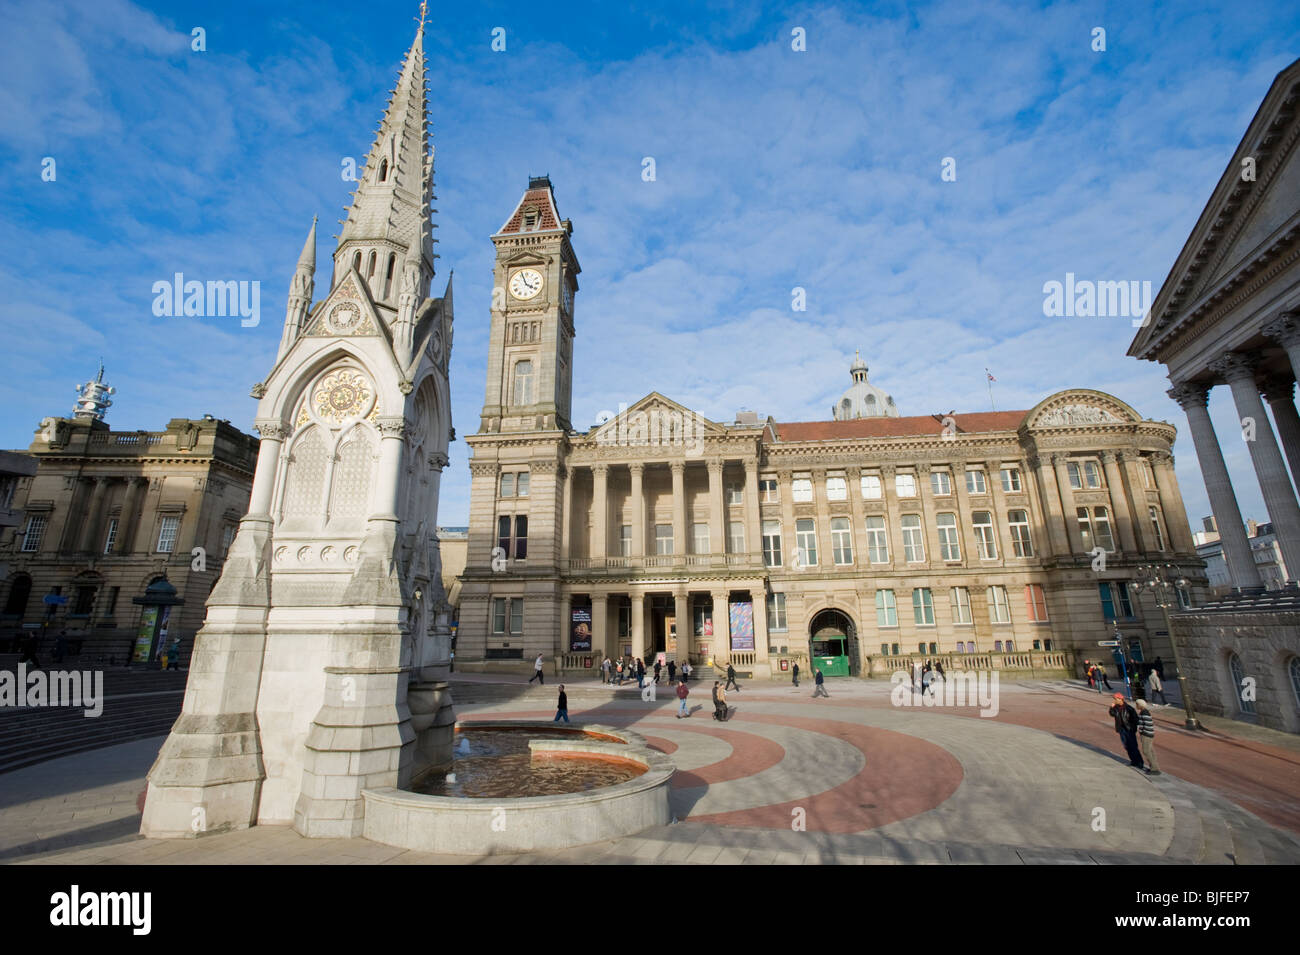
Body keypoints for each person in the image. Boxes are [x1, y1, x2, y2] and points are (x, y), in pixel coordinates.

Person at [1108, 693, 1144, 770]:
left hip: (1129, 729)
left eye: (1116, 699)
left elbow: (1136, 719)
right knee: (1126, 746)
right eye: (1114, 698)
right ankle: (1133, 761)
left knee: (1133, 746)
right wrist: (1111, 708)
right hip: (1121, 729)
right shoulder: (1116, 708)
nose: (1114, 700)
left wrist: (1132, 728)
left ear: (1120, 699)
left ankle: (1139, 762)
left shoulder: (1129, 708)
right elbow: (1112, 714)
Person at [1134, 699, 1162, 775]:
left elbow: (1148, 724)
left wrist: (1143, 732)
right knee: (1150, 750)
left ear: (1140, 705)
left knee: (1146, 751)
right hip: (1148, 734)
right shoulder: (1143, 712)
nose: (1136, 706)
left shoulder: (1144, 713)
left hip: (1146, 734)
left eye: (1137, 704)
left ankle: (1154, 768)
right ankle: (1154, 766)